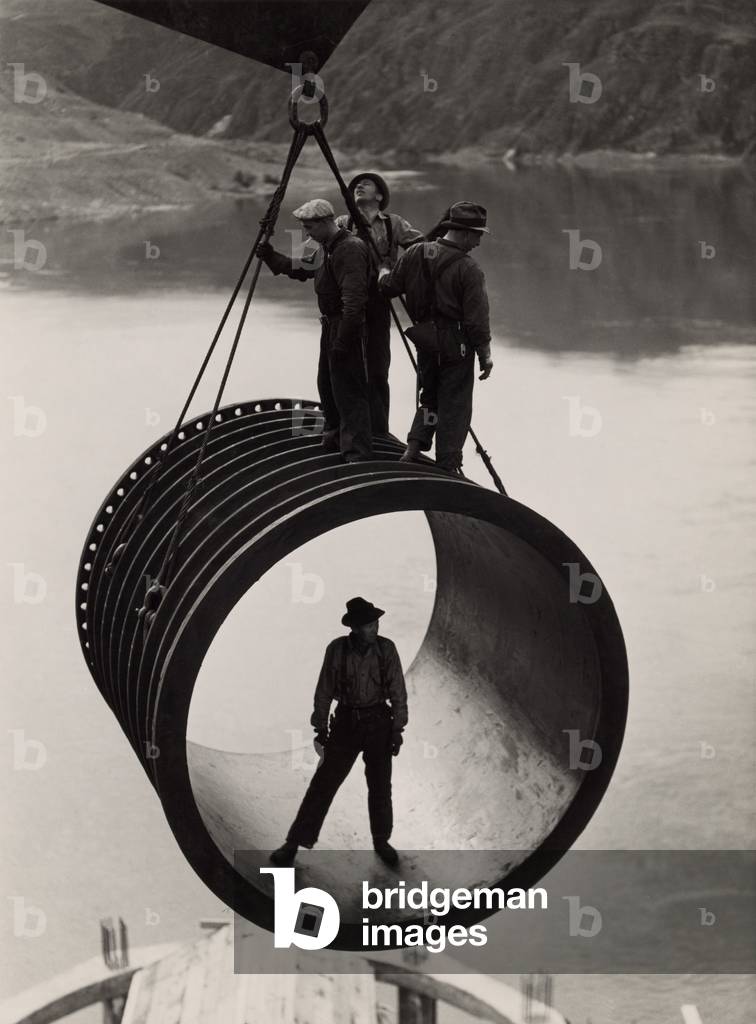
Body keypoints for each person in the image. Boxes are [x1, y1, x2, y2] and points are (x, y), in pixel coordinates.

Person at [270, 597, 408, 868]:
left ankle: (381, 840)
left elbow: (398, 692)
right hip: (346, 724)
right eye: (368, 625)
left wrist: (397, 729)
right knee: (323, 785)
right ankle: (293, 843)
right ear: (355, 628)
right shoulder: (337, 650)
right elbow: (323, 691)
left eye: (376, 622)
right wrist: (320, 728)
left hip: (379, 722)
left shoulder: (386, 649)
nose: (374, 628)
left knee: (381, 787)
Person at [378, 201, 494, 476]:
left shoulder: (417, 251)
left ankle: (414, 447)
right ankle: (448, 464)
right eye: (477, 234)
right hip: (457, 345)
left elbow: (389, 288)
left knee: (429, 397)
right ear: (464, 233)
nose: (478, 241)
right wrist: (485, 354)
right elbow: (476, 319)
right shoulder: (469, 269)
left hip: (425, 340)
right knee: (455, 404)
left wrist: (382, 270)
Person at [257, 199, 373, 462]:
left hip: (346, 326)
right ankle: (334, 437)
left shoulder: (350, 249)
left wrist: (344, 341)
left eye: (309, 227)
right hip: (331, 326)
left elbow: (354, 303)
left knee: (349, 390)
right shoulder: (325, 248)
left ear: (325, 223)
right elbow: (299, 269)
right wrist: (269, 255)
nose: (306, 232)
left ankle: (358, 455)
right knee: (328, 385)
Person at [336, 173, 424, 436]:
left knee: (377, 368)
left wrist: (396, 273)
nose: (358, 187)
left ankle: (378, 431)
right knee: (347, 367)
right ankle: (350, 430)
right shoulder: (343, 223)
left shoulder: (394, 223)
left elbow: (421, 248)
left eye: (366, 184)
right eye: (355, 186)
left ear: (380, 196)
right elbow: (313, 255)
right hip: (347, 301)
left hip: (378, 301)